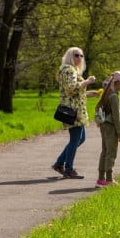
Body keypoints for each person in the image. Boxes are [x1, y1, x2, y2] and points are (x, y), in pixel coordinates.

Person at [51, 47, 98, 179]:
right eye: (76, 55)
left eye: (81, 56)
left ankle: (60, 163)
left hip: (75, 108)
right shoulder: (69, 70)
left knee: (80, 138)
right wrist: (87, 81)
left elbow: (72, 92)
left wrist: (88, 93)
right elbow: (71, 89)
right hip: (73, 111)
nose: (79, 58)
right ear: (70, 56)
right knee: (75, 139)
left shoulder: (70, 70)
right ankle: (68, 169)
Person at [94, 71, 120, 188]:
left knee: (104, 152)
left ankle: (101, 178)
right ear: (118, 82)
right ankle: (109, 179)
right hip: (111, 127)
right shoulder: (114, 96)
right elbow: (116, 117)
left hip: (104, 125)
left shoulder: (107, 92)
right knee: (111, 153)